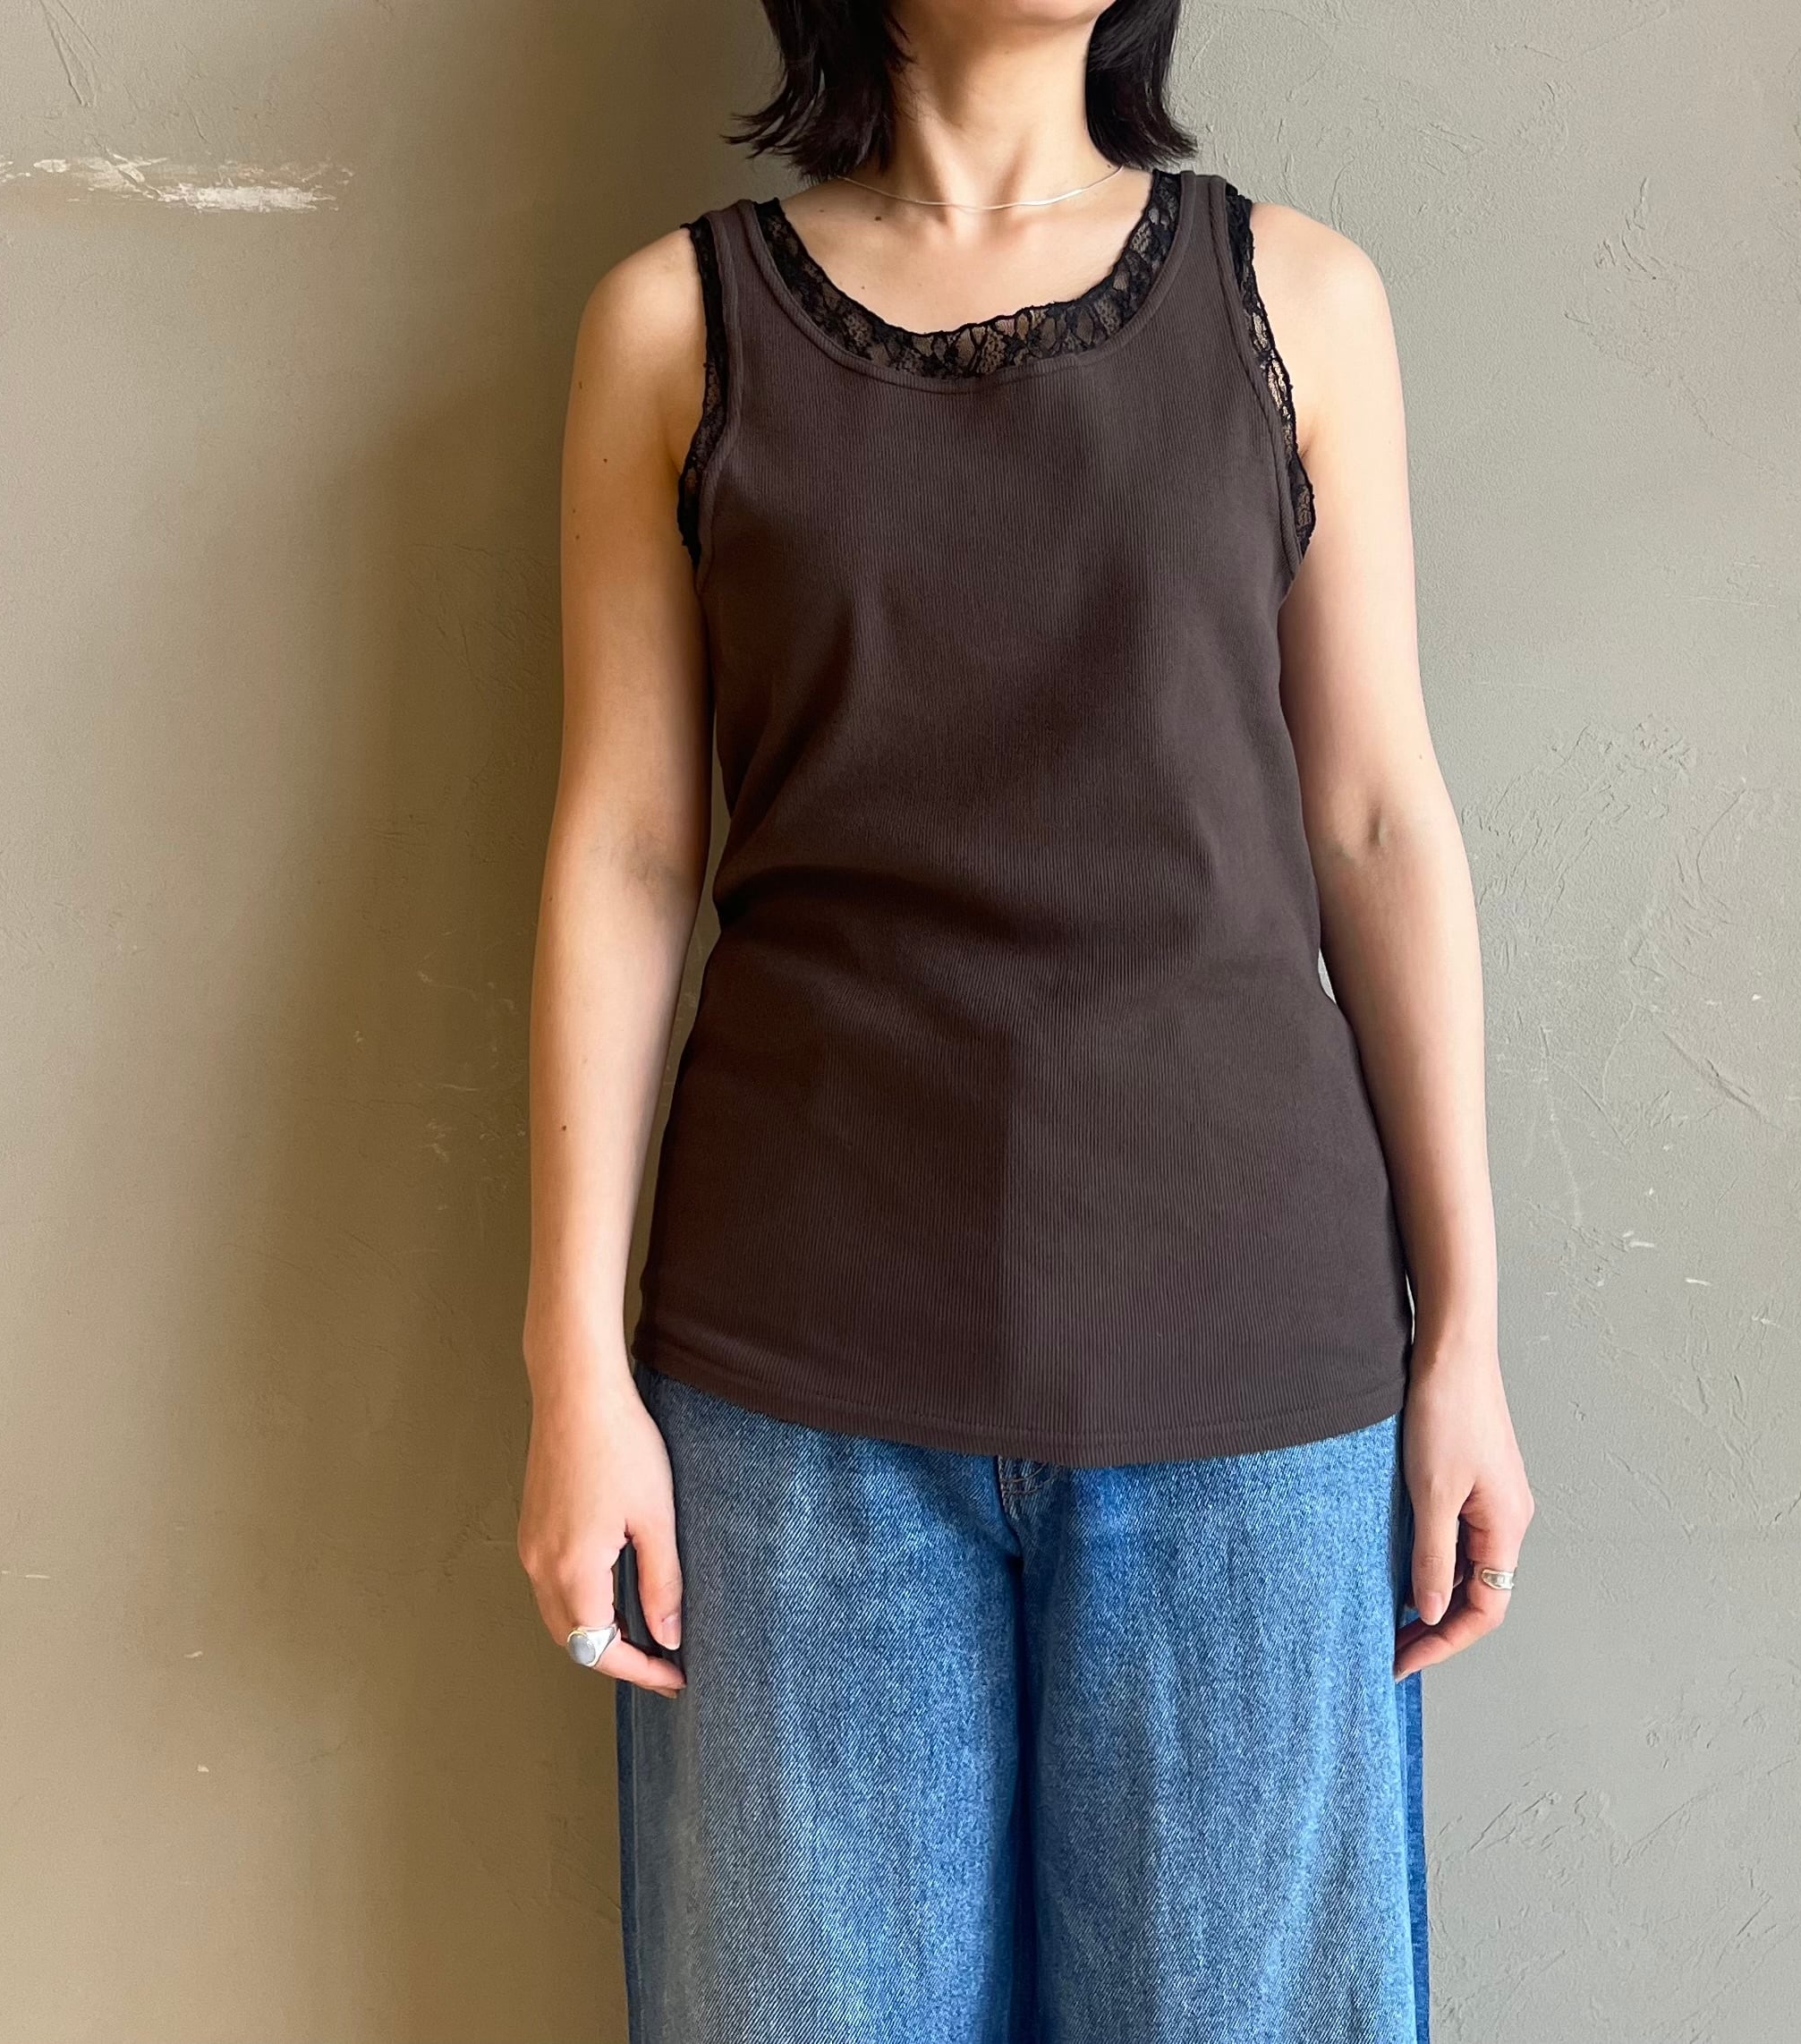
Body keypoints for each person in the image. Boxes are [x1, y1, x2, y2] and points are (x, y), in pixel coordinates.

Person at [519, 2, 1533, 2038]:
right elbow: (623, 853)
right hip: (791, 1403)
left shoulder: (1296, 303)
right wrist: (570, 1365)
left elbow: (1374, 821)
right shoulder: (672, 330)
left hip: (1253, 1388)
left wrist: (1467, 1339)